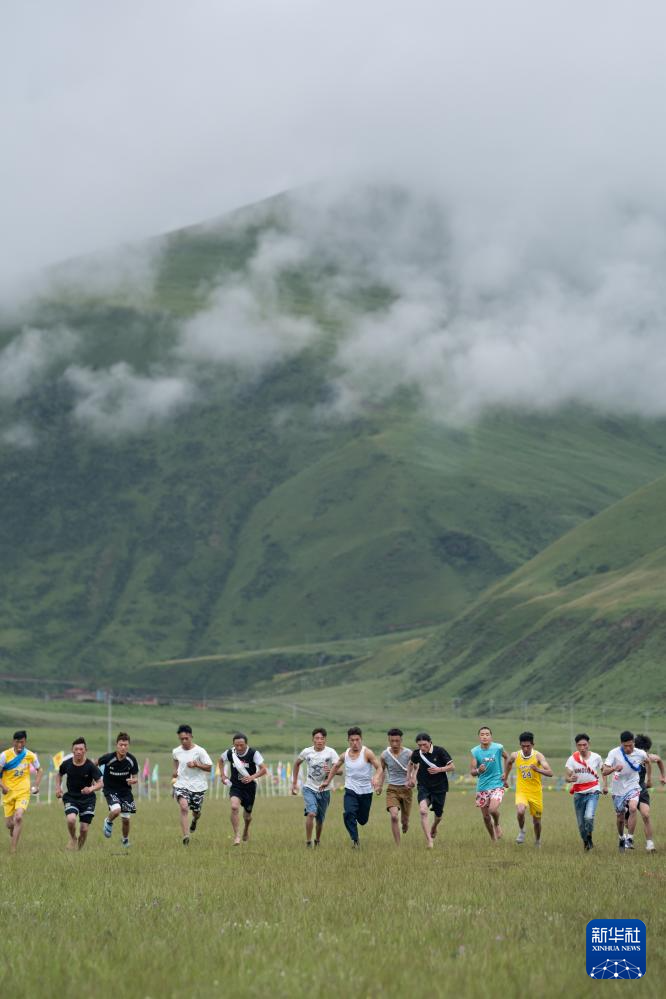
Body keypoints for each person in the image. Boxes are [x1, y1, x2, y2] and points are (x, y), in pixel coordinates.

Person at [320, 727, 381, 848]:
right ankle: (355, 840)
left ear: (361, 739)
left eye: (357, 740)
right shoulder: (345, 755)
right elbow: (335, 767)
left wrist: (376, 777)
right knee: (348, 813)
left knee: (363, 820)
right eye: (352, 740)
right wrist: (327, 781)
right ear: (348, 740)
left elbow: (379, 767)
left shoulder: (367, 753)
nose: (355, 743)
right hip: (350, 789)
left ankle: (357, 819)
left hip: (366, 792)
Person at [291, 727, 338, 847]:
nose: (319, 741)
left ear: (325, 740)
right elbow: (296, 764)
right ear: (313, 739)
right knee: (311, 813)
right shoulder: (307, 752)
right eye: (317, 738)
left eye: (322, 738)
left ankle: (317, 840)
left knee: (320, 820)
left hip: (324, 789)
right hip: (309, 787)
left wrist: (331, 770)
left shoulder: (331, 752)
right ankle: (308, 842)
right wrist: (294, 782)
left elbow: (340, 771)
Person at [503, 732, 552, 847]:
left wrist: (538, 769)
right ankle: (522, 831)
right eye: (523, 746)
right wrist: (505, 777)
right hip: (522, 791)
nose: (525, 749)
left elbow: (550, 772)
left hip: (536, 793)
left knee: (537, 821)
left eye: (528, 746)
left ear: (533, 745)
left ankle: (538, 841)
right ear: (520, 745)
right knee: (520, 811)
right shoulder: (515, 755)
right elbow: (509, 763)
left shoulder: (538, 756)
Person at [602, 731, 649, 851]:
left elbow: (648, 762)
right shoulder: (614, 753)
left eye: (630, 745)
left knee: (633, 808)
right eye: (625, 746)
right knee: (620, 817)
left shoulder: (641, 753)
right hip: (618, 789)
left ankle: (630, 838)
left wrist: (648, 778)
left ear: (634, 743)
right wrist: (614, 768)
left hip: (633, 785)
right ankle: (621, 837)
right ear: (621, 743)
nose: (628, 748)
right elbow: (604, 771)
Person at [407, 732, 454, 849]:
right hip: (424, 787)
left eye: (424, 745)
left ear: (430, 742)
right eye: (420, 745)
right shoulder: (417, 753)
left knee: (438, 816)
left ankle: (434, 826)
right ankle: (429, 841)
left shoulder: (440, 751)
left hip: (439, 787)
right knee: (423, 811)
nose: (422, 748)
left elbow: (452, 767)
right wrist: (410, 778)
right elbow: (411, 764)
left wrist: (439, 769)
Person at [55, 738, 103, 850]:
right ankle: (73, 838)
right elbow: (59, 774)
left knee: (84, 829)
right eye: (76, 749)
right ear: (72, 750)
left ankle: (79, 851)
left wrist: (91, 789)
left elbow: (101, 783)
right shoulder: (66, 764)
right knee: (71, 819)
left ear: (85, 750)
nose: (78, 752)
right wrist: (58, 788)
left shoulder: (90, 766)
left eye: (81, 749)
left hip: (88, 799)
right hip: (71, 797)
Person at [0, 730, 42, 854]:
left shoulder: (30, 755)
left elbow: (39, 770)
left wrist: (36, 785)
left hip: (23, 792)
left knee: (18, 817)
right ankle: (12, 830)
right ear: (13, 742)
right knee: (9, 824)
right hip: (8, 793)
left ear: (25, 742)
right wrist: (3, 786)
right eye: (17, 742)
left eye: (22, 742)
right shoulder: (4, 755)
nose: (20, 745)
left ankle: (13, 849)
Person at [221, 733, 268, 846]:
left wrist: (252, 777)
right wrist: (222, 775)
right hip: (235, 786)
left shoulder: (253, 753)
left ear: (246, 744)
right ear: (233, 744)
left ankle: (246, 829)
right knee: (234, 807)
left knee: (247, 816)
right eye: (236, 745)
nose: (239, 748)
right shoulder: (230, 753)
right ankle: (237, 835)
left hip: (249, 788)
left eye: (241, 745)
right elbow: (220, 760)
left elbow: (264, 769)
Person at [564, 733, 607, 850]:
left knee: (588, 817)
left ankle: (589, 836)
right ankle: (586, 841)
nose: (582, 747)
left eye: (584, 745)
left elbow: (604, 771)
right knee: (581, 824)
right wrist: (570, 779)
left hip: (593, 791)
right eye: (580, 745)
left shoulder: (596, 757)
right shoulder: (572, 759)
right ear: (576, 746)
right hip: (578, 794)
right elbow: (567, 777)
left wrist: (605, 785)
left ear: (589, 744)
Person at [171, 725, 213, 846]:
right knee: (184, 807)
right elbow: (175, 760)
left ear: (191, 736)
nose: (184, 741)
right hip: (181, 784)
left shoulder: (200, 751)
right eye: (181, 739)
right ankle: (186, 836)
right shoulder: (176, 751)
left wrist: (197, 765)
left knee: (196, 812)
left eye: (186, 738)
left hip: (198, 786)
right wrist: (175, 771)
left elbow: (209, 767)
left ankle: (194, 820)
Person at [97, 732, 139, 848]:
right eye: (121, 745)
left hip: (125, 792)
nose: (123, 747)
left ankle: (125, 840)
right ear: (117, 745)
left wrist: (134, 780)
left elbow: (135, 777)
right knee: (116, 811)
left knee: (126, 819)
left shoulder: (131, 760)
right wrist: (95, 777)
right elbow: (94, 764)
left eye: (125, 745)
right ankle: (108, 821)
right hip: (110, 790)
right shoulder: (108, 758)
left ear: (128, 746)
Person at [623, 733, 664, 852]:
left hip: (641, 789)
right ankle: (626, 840)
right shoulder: (628, 757)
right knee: (626, 821)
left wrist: (663, 776)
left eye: (645, 751)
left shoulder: (648, 757)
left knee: (646, 815)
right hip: (628, 790)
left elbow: (659, 760)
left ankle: (650, 845)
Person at [469, 726, 509, 842]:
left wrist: (505, 773)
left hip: (497, 784)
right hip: (483, 786)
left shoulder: (498, 748)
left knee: (492, 809)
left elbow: (508, 758)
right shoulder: (475, 751)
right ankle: (493, 839)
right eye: (482, 734)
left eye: (487, 734)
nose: (485, 736)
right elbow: (472, 772)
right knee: (486, 817)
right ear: (479, 737)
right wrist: (478, 770)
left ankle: (496, 824)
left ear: (491, 737)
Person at [376, 728, 413, 845]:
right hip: (392, 789)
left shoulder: (409, 754)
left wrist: (412, 779)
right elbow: (382, 771)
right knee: (394, 816)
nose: (395, 744)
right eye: (392, 741)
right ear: (389, 740)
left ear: (401, 740)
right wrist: (379, 786)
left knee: (404, 820)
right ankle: (398, 845)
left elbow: (416, 768)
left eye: (397, 741)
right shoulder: (384, 755)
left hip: (406, 789)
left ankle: (405, 823)